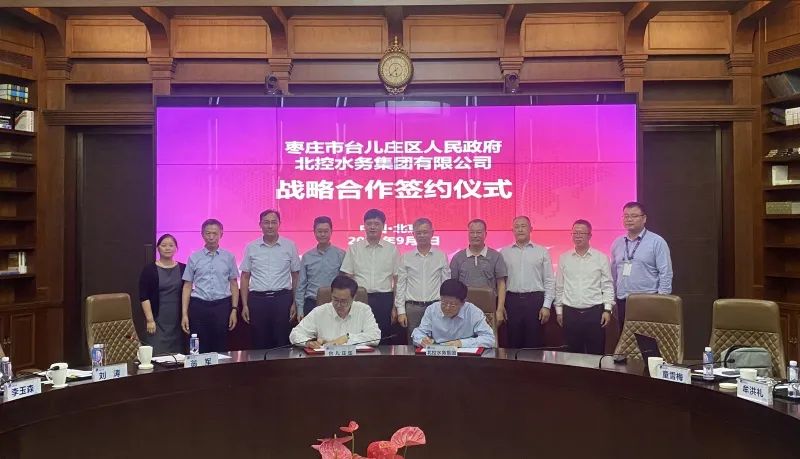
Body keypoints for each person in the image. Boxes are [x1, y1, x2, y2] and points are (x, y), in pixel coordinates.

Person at [240, 209, 301, 349]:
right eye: (266, 222)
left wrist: (295, 302)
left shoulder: (290, 246)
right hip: (257, 300)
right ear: (260, 224)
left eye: (274, 222)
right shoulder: (251, 247)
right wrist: (245, 305)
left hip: (282, 300)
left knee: (282, 342)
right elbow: (245, 277)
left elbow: (295, 276)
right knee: (259, 342)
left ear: (279, 224)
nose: (270, 226)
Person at [554, 220, 614, 355]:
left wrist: (607, 310)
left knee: (596, 354)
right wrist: (559, 311)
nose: (578, 236)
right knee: (571, 355)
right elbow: (559, 286)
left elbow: (607, 286)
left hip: (594, 312)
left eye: (581, 233)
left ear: (590, 235)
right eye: (575, 233)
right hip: (570, 313)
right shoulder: (564, 258)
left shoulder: (601, 258)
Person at [610, 202, 673, 329]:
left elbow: (666, 273)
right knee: (625, 339)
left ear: (644, 218)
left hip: (648, 301)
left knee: (647, 339)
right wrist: (613, 299)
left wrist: (662, 301)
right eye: (626, 216)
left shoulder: (657, 242)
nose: (629, 219)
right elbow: (614, 274)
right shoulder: (617, 243)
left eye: (634, 216)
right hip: (623, 301)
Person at [340, 208, 399, 343]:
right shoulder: (354, 248)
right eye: (369, 223)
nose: (372, 227)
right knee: (358, 335)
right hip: (360, 298)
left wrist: (395, 306)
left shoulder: (392, 249)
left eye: (376, 224)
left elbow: (397, 280)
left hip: (384, 299)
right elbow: (348, 277)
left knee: (383, 337)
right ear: (364, 226)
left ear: (383, 226)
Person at [181, 219, 239, 353]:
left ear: (221, 234)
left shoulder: (229, 257)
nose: (211, 237)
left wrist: (234, 309)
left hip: (221, 306)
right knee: (196, 345)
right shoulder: (194, 257)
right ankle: (196, 366)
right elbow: (187, 286)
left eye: (215, 233)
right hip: (198, 306)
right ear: (202, 234)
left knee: (221, 346)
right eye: (208, 233)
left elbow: (234, 284)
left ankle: (220, 367)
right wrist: (184, 314)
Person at [500, 216, 554, 348]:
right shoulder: (504, 253)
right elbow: (501, 282)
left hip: (535, 301)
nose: (520, 229)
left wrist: (546, 306)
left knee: (534, 343)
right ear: (512, 230)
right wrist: (501, 306)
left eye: (523, 226)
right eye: (516, 227)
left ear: (531, 229)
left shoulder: (542, 251)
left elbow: (549, 280)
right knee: (513, 342)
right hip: (512, 301)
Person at [395, 217, 450, 343]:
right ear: (413, 234)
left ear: (432, 233)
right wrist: (401, 311)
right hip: (412, 308)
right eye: (418, 232)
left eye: (425, 232)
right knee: (413, 343)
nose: (422, 235)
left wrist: (445, 307)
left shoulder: (441, 256)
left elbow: (446, 284)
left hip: (436, 307)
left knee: (437, 342)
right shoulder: (406, 257)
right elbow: (401, 285)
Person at [289, 275, 381, 348]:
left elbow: (375, 336)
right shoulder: (319, 312)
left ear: (354, 297)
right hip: (326, 362)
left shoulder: (364, 310)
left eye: (344, 301)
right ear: (331, 294)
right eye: (335, 299)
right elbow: (295, 334)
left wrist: (347, 338)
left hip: (357, 361)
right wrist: (308, 342)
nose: (338, 305)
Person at [449, 219, 507, 324]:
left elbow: (501, 284)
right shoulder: (458, 258)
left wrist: (499, 310)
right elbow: (453, 286)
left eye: (479, 232)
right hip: (463, 310)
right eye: (472, 232)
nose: (475, 235)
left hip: (489, 310)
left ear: (485, 234)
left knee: (487, 335)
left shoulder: (496, 256)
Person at [411, 279, 496, 348]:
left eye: (452, 304)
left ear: (463, 303)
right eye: (444, 303)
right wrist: (422, 340)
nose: (447, 308)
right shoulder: (432, 310)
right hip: (439, 355)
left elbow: (489, 339)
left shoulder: (473, 312)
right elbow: (419, 332)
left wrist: (461, 343)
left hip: (466, 357)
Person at [138, 234, 186, 354]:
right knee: (157, 355)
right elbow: (144, 296)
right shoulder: (149, 269)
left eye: (171, 245)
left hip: (177, 321)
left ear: (176, 248)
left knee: (178, 357)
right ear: (158, 248)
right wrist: (150, 319)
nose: (167, 248)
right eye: (164, 245)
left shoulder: (183, 268)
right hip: (157, 320)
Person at [295, 216, 345, 318]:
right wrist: (300, 309)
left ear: (331, 232)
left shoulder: (341, 255)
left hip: (334, 303)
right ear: (314, 232)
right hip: (312, 303)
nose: (322, 234)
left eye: (326, 231)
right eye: (319, 231)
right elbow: (301, 285)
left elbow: (345, 283)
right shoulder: (307, 256)